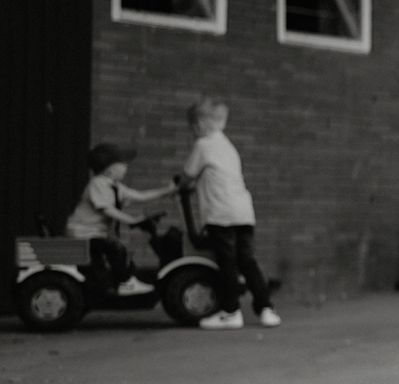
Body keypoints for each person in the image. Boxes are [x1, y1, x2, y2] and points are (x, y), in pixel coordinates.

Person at [181, 99, 280, 330]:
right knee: (247, 261)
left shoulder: (203, 145)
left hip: (220, 213)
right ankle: (266, 309)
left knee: (227, 263)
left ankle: (230, 311)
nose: (192, 131)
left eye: (193, 125)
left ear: (201, 124)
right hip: (243, 212)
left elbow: (187, 176)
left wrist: (181, 185)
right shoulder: (228, 146)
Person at [65, 142, 170, 296]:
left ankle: (111, 285)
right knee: (115, 249)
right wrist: (132, 220)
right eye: (123, 164)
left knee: (105, 259)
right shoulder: (98, 184)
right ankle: (125, 283)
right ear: (111, 169)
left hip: (93, 234)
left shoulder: (116, 187)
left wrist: (169, 190)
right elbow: (107, 209)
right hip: (82, 234)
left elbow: (140, 196)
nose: (126, 167)